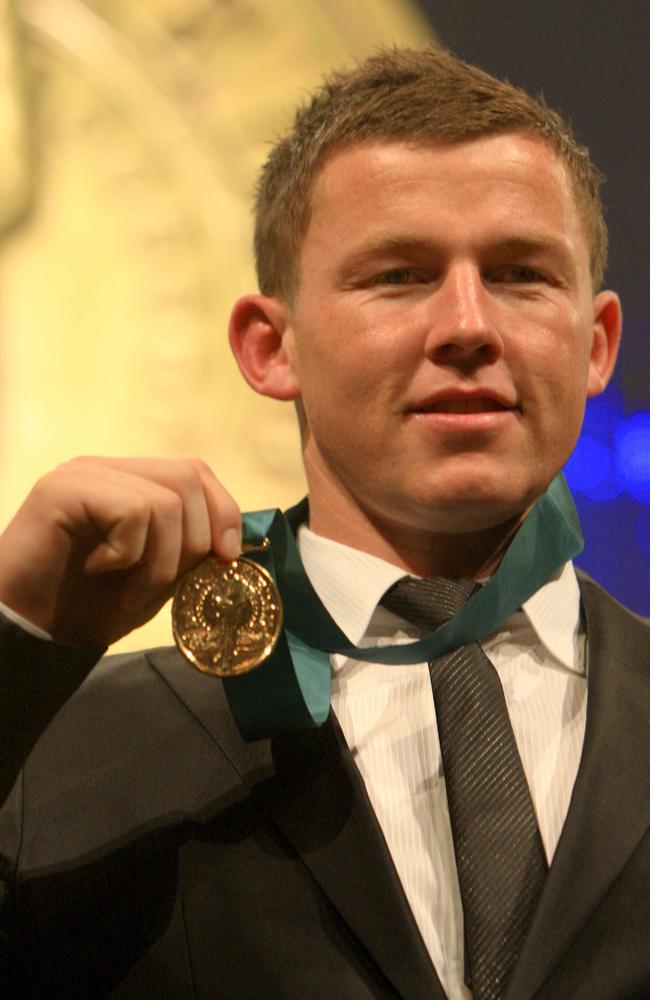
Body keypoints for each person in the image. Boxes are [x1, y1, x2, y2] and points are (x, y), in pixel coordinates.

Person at [0, 46, 647, 1000]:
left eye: (519, 273)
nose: (468, 324)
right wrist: (15, 641)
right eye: (398, 275)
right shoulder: (60, 746)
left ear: (594, 346)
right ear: (271, 348)